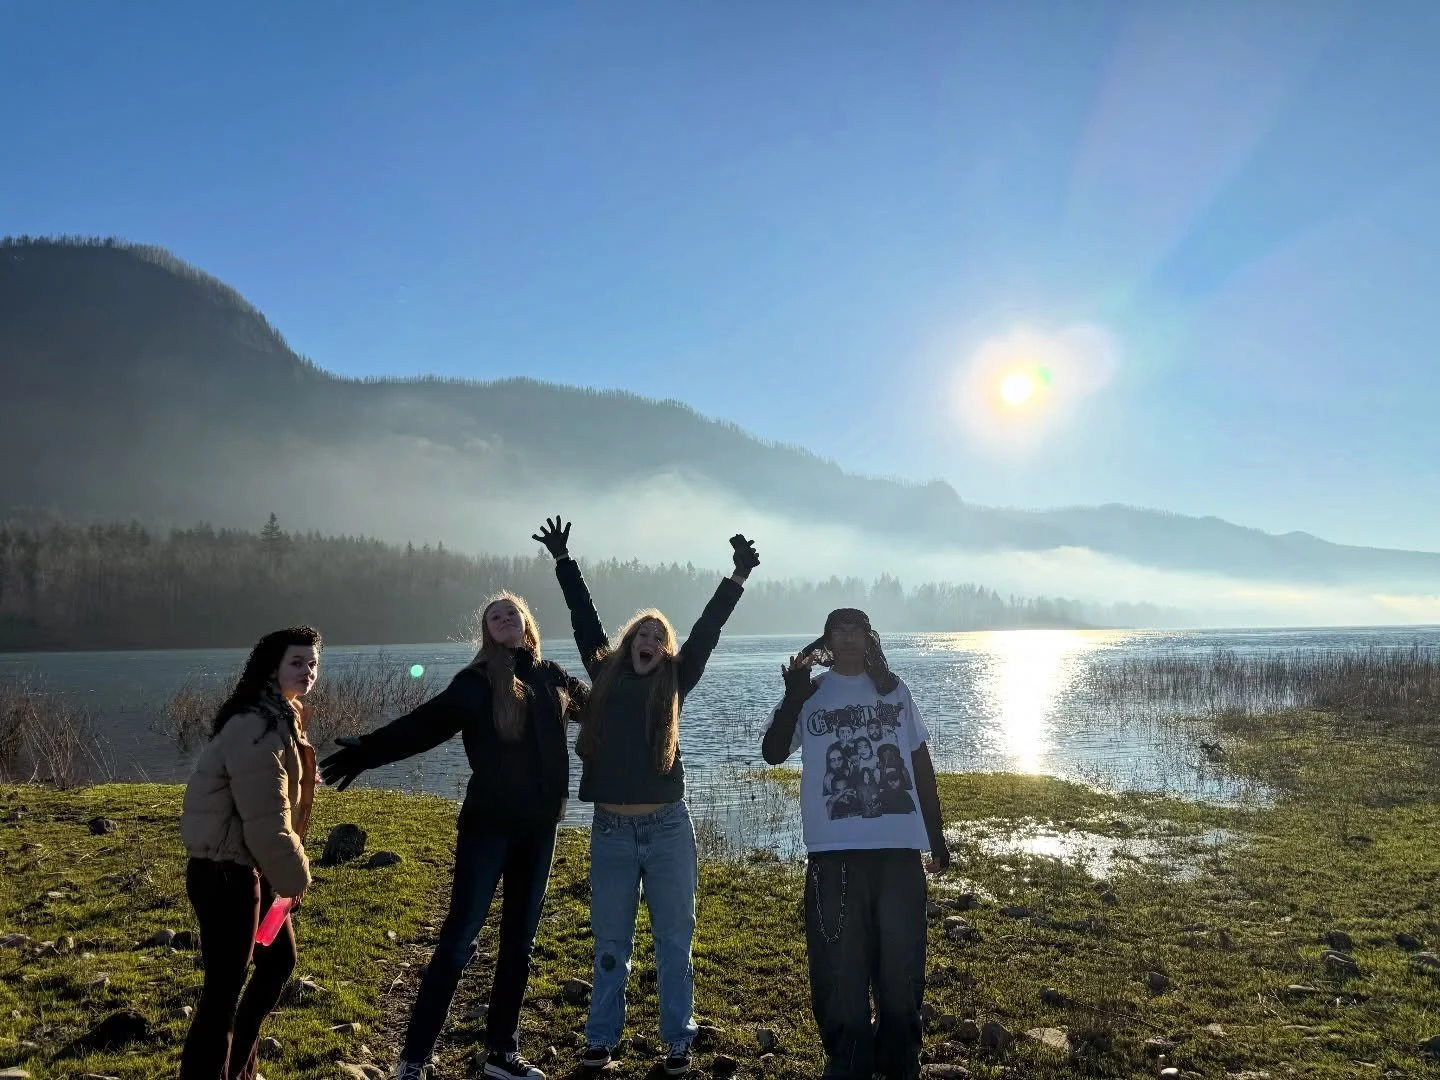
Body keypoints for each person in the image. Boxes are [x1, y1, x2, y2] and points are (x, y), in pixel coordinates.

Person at [318, 594, 589, 1080]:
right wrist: (368, 750)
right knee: (458, 940)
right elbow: (427, 724)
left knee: (519, 945)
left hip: (539, 830)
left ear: (527, 621)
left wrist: (649, 675)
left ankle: (502, 1055)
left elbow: (605, 705)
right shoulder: (477, 681)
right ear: (487, 630)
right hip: (488, 828)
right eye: (494, 616)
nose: (504, 618)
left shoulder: (553, 676)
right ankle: (414, 1060)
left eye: (511, 612)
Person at [532, 516, 758, 1077]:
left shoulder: (676, 681)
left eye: (659, 638)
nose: (650, 642)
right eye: (643, 635)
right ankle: (600, 1040)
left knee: (674, 941)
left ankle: (678, 1041)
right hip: (610, 832)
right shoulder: (603, 674)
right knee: (611, 943)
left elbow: (706, 630)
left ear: (666, 651)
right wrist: (564, 561)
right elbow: (584, 618)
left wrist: (736, 577)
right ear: (629, 641)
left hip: (667, 831)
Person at [760, 609, 950, 1080]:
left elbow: (920, 764)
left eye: (856, 630)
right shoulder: (811, 693)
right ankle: (847, 1062)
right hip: (833, 853)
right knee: (839, 969)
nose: (847, 638)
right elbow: (773, 752)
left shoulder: (894, 690)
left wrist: (936, 835)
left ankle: (900, 1061)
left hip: (899, 849)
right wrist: (793, 694)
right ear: (827, 641)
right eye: (838, 631)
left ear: (869, 638)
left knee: (901, 967)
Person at [178, 626, 322, 1080]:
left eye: (313, 663)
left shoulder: (279, 717)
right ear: (271, 667)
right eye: (297, 662)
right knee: (223, 993)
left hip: (252, 869)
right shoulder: (256, 727)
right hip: (226, 874)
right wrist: (295, 880)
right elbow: (265, 822)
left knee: (277, 962)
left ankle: (238, 1068)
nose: (307, 671)